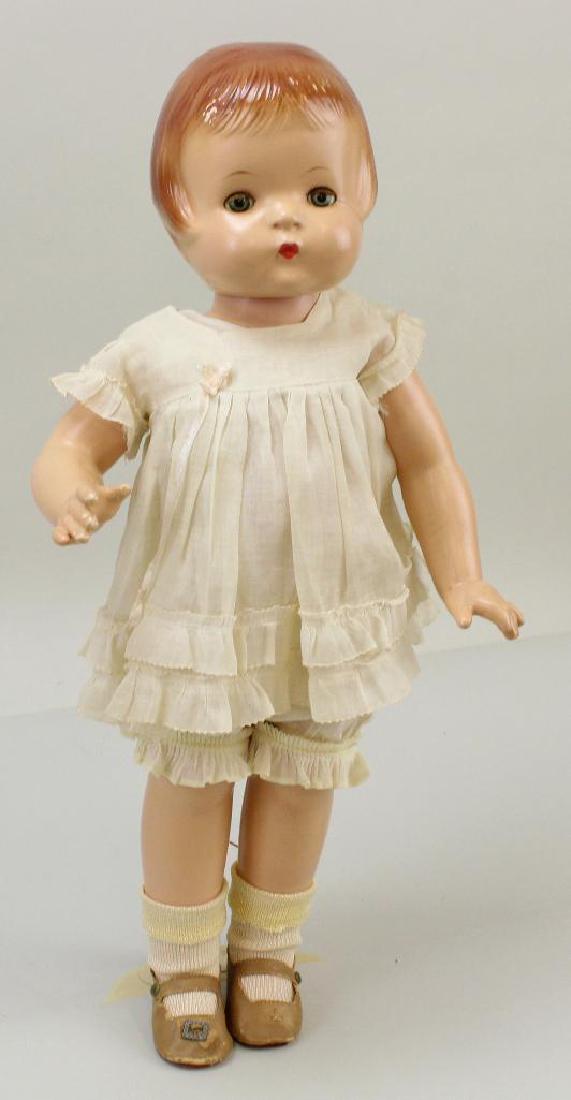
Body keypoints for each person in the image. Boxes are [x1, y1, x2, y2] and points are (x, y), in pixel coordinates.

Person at [30, 41, 524, 1068]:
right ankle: (182, 965)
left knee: (302, 778)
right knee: (192, 779)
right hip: (199, 620)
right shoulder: (161, 349)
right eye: (242, 199)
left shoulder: (364, 338)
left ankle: (266, 951)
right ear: (179, 213)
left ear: (363, 193)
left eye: (318, 191)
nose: (284, 219)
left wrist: (460, 571)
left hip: (324, 616)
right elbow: (74, 442)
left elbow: (426, 461)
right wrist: (67, 488)